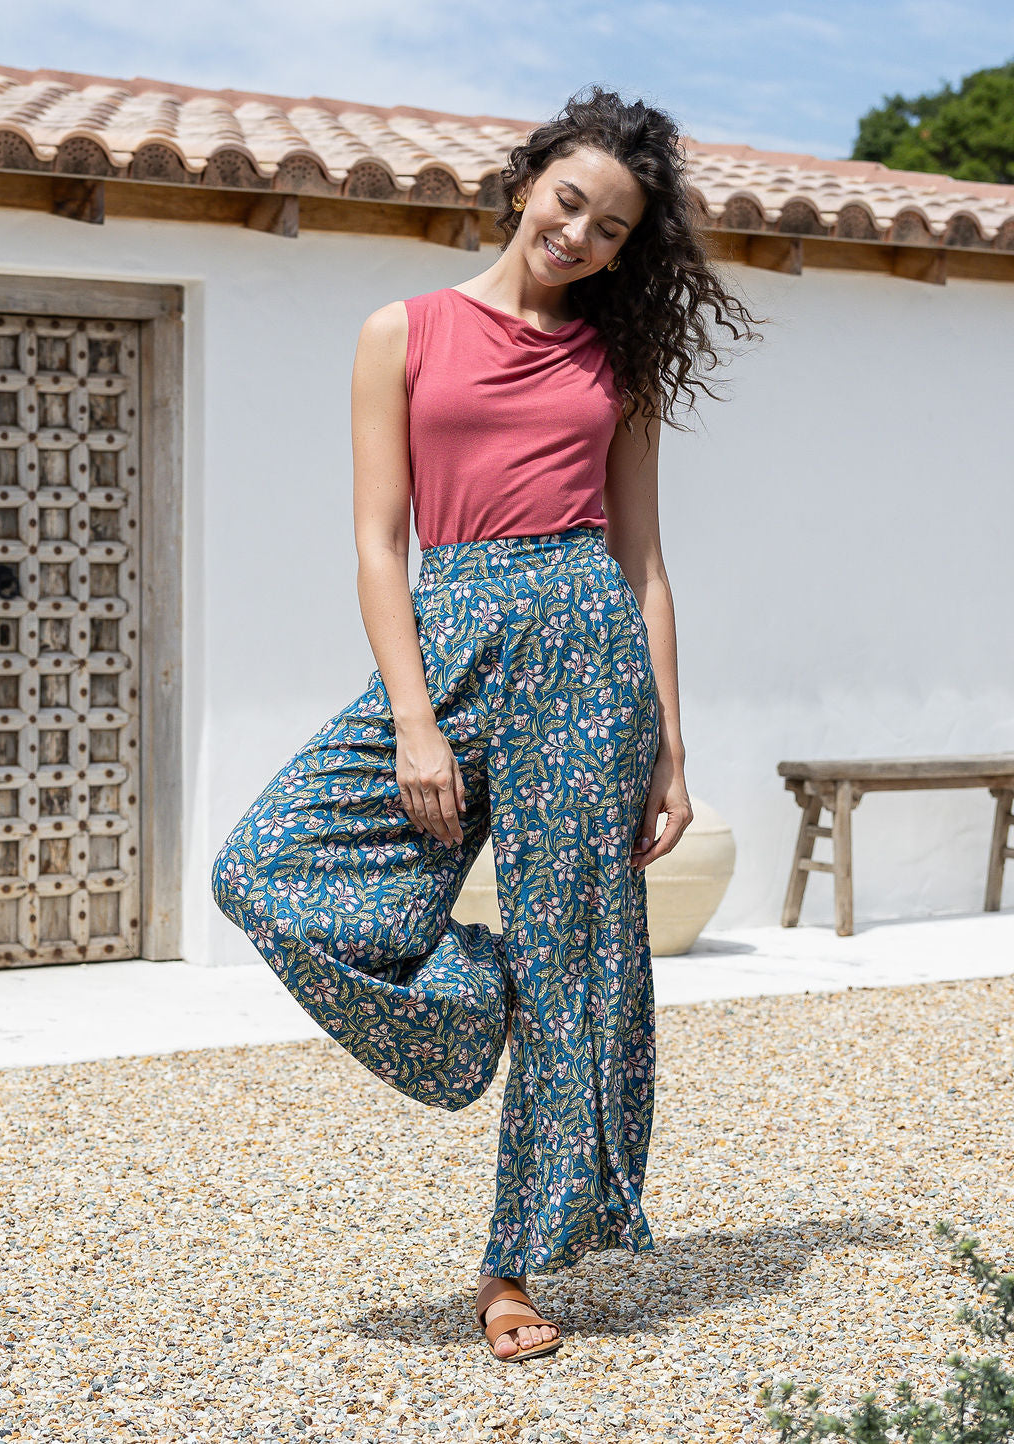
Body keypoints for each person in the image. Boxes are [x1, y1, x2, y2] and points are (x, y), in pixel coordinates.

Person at [211, 84, 765, 1364]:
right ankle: (496, 988)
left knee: (584, 960)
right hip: (451, 635)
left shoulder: (614, 361)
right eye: (570, 202)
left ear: (628, 249)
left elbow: (643, 558)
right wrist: (411, 714)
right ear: (527, 184)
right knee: (264, 866)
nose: (580, 236)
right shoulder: (399, 331)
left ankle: (513, 1270)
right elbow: (374, 540)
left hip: (587, 652)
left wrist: (671, 742)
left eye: (614, 229)